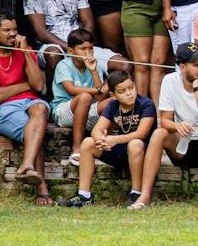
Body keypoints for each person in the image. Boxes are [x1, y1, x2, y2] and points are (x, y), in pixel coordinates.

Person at [140, 41, 198, 210]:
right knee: (159, 133)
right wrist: (176, 126)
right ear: (182, 67)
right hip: (184, 142)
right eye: (196, 65)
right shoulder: (169, 80)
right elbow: (164, 120)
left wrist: (197, 88)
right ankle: (144, 196)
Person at [0, 14, 52, 202]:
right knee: (34, 131)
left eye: (15, 30)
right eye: (7, 30)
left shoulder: (25, 51)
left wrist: (26, 53)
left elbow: (39, 86)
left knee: (41, 109)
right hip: (3, 109)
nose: (13, 34)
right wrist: (26, 85)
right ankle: (42, 191)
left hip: (31, 103)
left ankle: (26, 165)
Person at [61, 69, 153, 208]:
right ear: (113, 95)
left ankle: (136, 193)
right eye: (122, 91)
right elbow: (96, 130)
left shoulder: (146, 104)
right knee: (88, 143)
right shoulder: (112, 105)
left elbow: (142, 134)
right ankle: (84, 195)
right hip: (121, 149)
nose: (129, 93)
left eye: (131, 88)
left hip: (143, 153)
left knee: (135, 144)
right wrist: (101, 140)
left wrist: (114, 139)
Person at [49, 28, 107, 142]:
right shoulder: (64, 65)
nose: (88, 53)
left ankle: (102, 145)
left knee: (110, 103)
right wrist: (100, 90)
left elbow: (100, 98)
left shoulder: (95, 66)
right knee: (85, 97)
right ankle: (77, 148)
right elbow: (71, 89)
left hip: (87, 111)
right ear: (71, 51)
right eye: (83, 49)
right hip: (63, 112)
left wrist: (93, 71)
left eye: (91, 48)